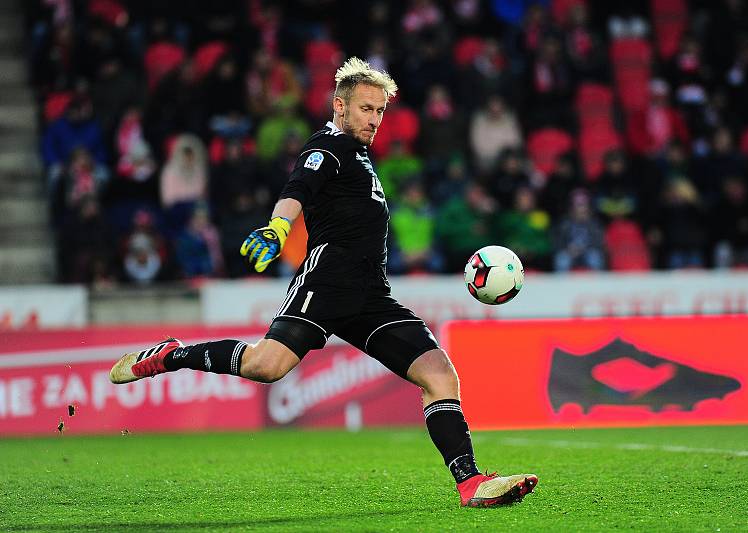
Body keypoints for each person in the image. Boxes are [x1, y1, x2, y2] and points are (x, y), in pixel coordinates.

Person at [109, 57, 537, 508]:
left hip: (372, 295)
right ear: (340, 106)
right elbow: (298, 189)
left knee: (439, 374)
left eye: (380, 112)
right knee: (265, 367)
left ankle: (471, 483)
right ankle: (172, 356)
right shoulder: (327, 146)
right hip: (327, 282)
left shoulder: (360, 156)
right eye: (366, 109)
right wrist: (278, 228)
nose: (374, 120)